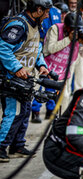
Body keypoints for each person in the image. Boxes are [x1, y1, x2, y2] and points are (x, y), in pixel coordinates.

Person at [0, 0, 51, 162]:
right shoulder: (18, 25)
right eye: (46, 11)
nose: (48, 15)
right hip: (12, 78)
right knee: (13, 113)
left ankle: (17, 145)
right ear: (38, 9)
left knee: (24, 111)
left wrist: (41, 64)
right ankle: (1, 147)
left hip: (26, 79)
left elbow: (35, 48)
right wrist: (16, 68)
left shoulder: (35, 24)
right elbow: (3, 47)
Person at [43, 12, 83, 112]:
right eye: (72, 28)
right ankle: (38, 112)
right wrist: (68, 39)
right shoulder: (55, 29)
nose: (74, 31)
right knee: (41, 94)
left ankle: (62, 122)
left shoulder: (78, 34)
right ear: (66, 26)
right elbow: (51, 48)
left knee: (65, 96)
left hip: (64, 69)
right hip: (46, 67)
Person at [31, 3, 61, 123]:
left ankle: (50, 110)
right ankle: (35, 111)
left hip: (52, 49)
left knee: (51, 82)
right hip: (39, 45)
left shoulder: (56, 11)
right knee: (39, 83)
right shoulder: (38, 8)